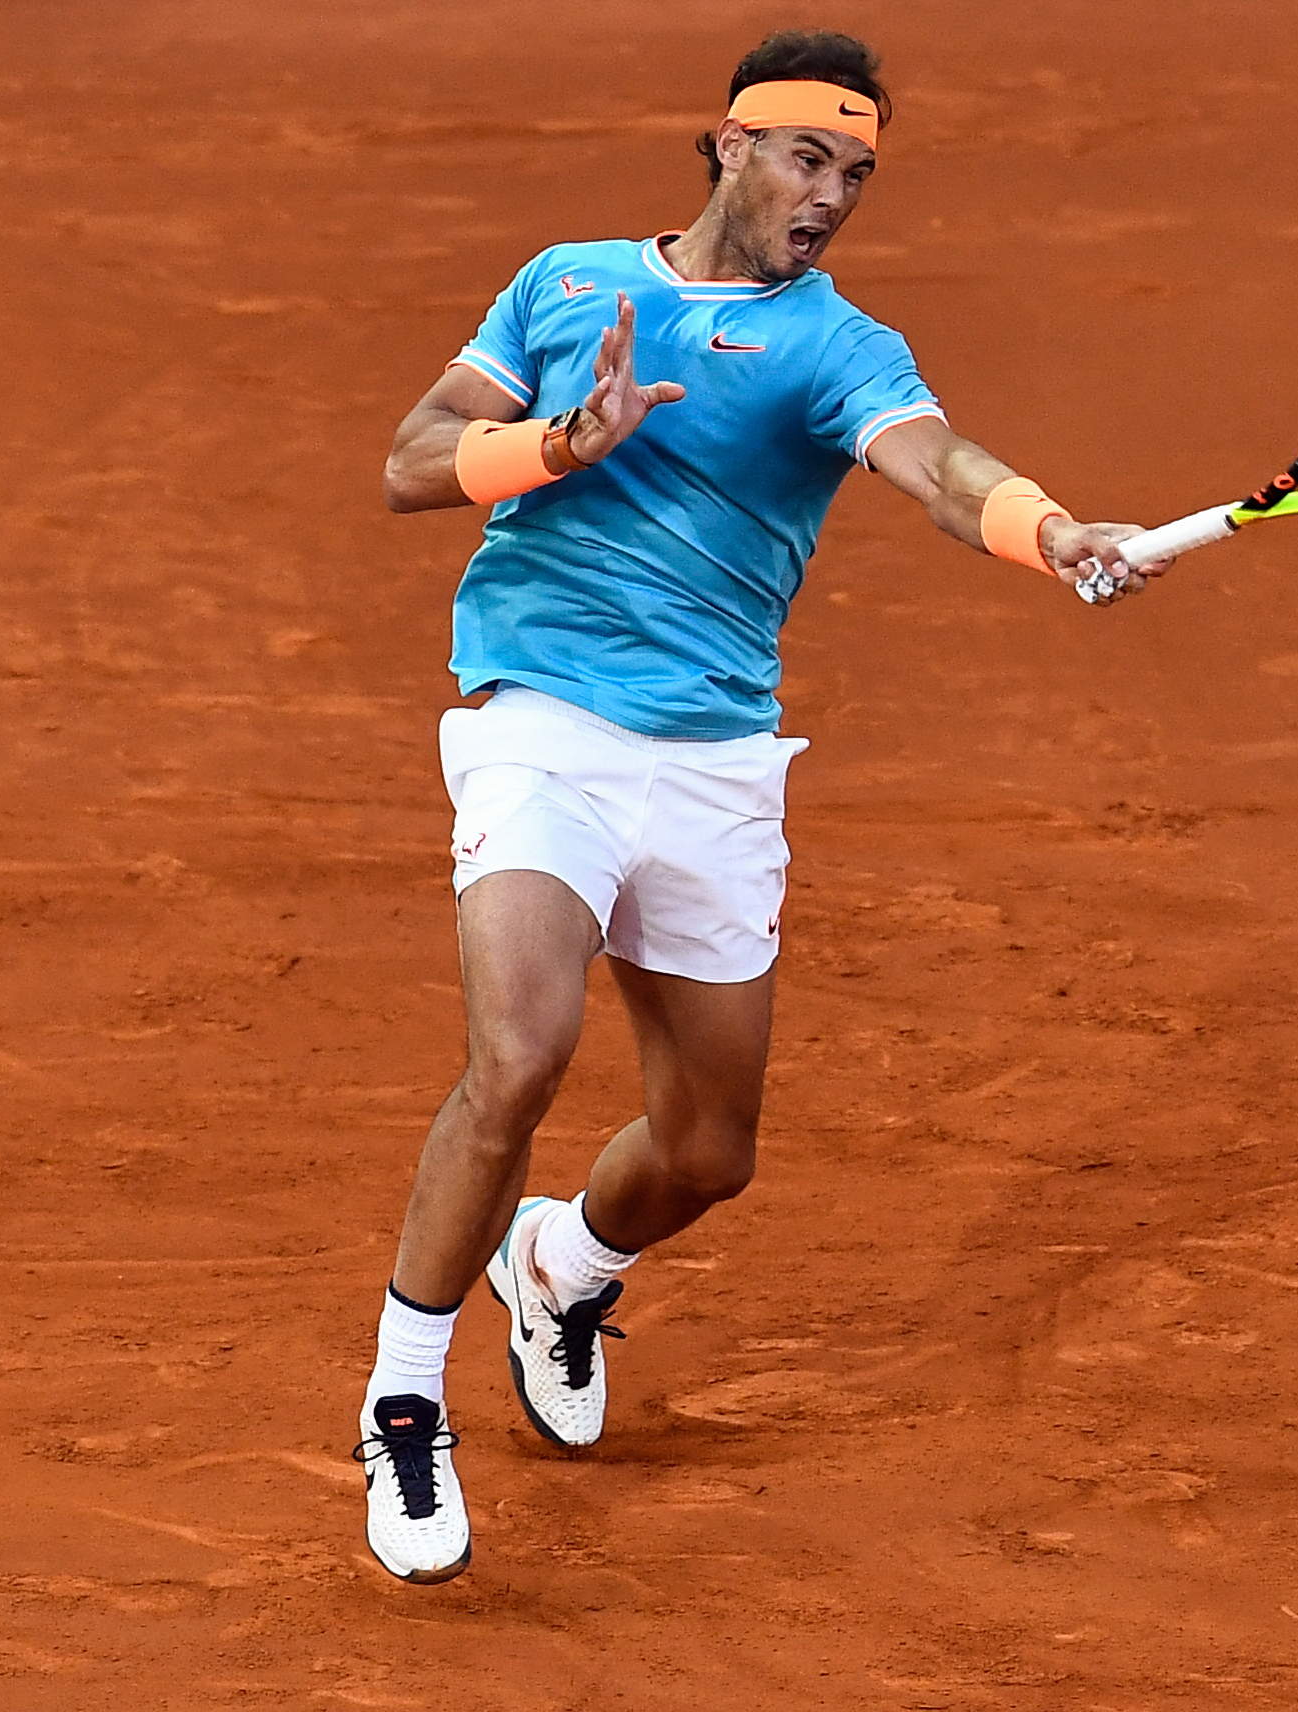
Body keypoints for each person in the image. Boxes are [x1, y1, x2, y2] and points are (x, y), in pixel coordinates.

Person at [351, 28, 1167, 1583]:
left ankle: (566, 1266)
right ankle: (403, 1397)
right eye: (810, 159)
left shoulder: (836, 345)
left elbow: (939, 471)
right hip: (544, 724)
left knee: (711, 1149)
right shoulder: (565, 284)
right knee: (518, 1056)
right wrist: (550, 445)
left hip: (718, 760)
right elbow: (408, 461)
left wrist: (1049, 530)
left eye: (858, 174)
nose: (833, 197)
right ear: (727, 145)